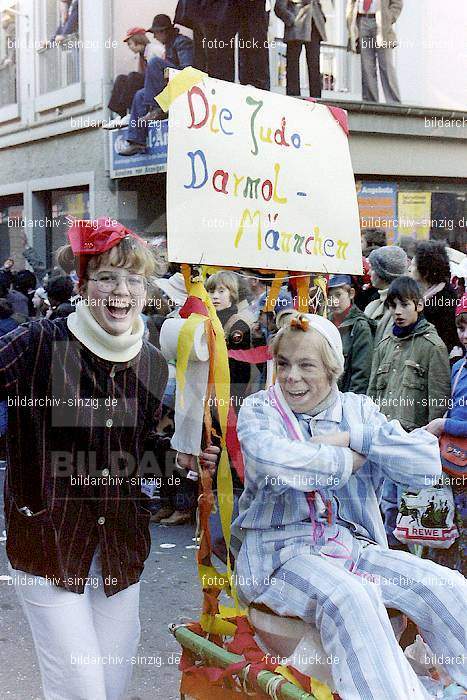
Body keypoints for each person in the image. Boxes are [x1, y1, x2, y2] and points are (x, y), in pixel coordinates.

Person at [1, 218, 216, 700]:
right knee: (80, 688)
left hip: (118, 544)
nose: (121, 290)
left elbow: (141, 448)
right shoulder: (41, 342)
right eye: (106, 277)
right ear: (82, 285)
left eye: (133, 279)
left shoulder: (150, 360)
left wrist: (183, 457)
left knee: (113, 688)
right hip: (49, 541)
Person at [231, 312, 467, 700]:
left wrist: (356, 436)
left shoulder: (356, 410)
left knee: (445, 585)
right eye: (284, 364)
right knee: (353, 596)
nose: (291, 377)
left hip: (352, 546)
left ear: (332, 369)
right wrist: (350, 457)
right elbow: (276, 463)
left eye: (306, 366)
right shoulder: (262, 409)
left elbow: (425, 462)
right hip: (279, 557)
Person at [368, 276, 451, 548]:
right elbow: (372, 395)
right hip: (382, 445)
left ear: (419, 305)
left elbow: (438, 404)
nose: (398, 312)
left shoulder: (432, 347)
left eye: (405, 305)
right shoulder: (384, 346)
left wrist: (429, 451)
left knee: (409, 518)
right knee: (382, 511)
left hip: (412, 446)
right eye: (393, 305)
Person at [425, 292, 467, 575]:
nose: (465, 334)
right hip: (454, 465)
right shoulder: (458, 367)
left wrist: (443, 425)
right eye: (462, 327)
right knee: (449, 529)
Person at [118, 15, 193, 156]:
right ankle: (137, 141)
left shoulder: (182, 42)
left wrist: (164, 76)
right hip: (173, 86)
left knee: (154, 63)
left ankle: (156, 109)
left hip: (186, 85)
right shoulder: (169, 46)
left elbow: (187, 71)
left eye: (156, 33)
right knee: (140, 95)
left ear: (163, 31)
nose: (155, 37)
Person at [205, 270, 253, 409]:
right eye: (211, 291)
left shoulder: (237, 324)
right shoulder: (208, 319)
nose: (215, 296)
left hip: (228, 394)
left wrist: (231, 399)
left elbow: (241, 369)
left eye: (221, 291)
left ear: (231, 294)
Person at [105, 28, 164, 129]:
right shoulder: (139, 57)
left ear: (138, 41)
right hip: (147, 82)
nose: (130, 47)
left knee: (133, 76)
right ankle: (121, 114)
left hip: (157, 81)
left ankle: (130, 111)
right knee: (121, 79)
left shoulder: (155, 49)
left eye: (130, 44)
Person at [409, 240, 459, 355]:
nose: (409, 269)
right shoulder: (421, 294)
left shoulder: (446, 301)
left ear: (425, 272)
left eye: (413, 265)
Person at [346, 0, 402, 103]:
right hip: (362, 20)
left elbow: (397, 3)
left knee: (386, 65)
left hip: (381, 23)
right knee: (367, 67)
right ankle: (370, 103)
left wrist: (389, 17)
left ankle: (394, 102)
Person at [328, 274, 375, 394]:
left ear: (351, 293)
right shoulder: (326, 323)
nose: (334, 301)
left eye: (338, 295)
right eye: (329, 296)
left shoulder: (360, 326)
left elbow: (361, 373)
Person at [274, 0, 326, 97]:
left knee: (314, 65)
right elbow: (279, 7)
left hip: (315, 25)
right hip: (296, 25)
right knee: (293, 64)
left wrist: (322, 17)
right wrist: (292, 19)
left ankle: (316, 99)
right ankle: (293, 97)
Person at [364, 244, 408, 344]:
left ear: (382, 274)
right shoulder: (375, 304)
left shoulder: (398, 309)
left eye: (372, 268)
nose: (368, 273)